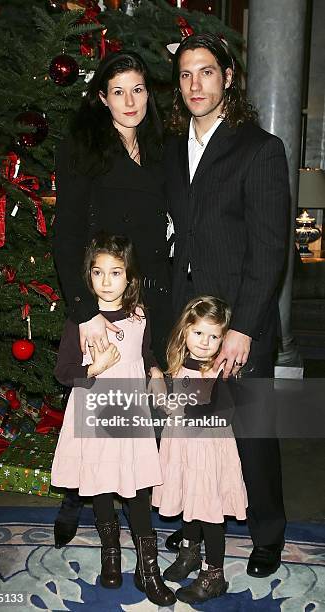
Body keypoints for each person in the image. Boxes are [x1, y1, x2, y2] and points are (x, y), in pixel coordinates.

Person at [163, 33, 289, 578]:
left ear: (229, 78)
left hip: (240, 325)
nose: (195, 84)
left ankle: (268, 535)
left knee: (253, 435)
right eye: (186, 74)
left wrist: (244, 328)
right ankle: (194, 527)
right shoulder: (171, 149)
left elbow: (270, 249)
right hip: (186, 325)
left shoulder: (260, 149)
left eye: (207, 72)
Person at [53, 50, 172, 551]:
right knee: (92, 411)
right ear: (101, 97)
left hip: (151, 301)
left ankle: (135, 510)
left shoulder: (162, 147)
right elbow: (66, 235)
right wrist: (85, 315)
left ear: (149, 94)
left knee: (138, 416)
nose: (129, 100)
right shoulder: (83, 147)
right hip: (99, 301)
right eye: (117, 90)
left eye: (138, 89)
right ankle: (79, 499)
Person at [51, 234, 176, 607]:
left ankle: (147, 568)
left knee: (138, 492)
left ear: (129, 278)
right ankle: (111, 552)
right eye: (98, 272)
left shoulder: (140, 315)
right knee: (101, 486)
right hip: (94, 414)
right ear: (87, 277)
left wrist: (154, 369)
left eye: (116, 272)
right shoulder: (82, 322)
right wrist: (94, 367)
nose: (106, 282)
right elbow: (63, 373)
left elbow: (145, 349)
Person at [152, 296, 247, 604]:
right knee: (188, 499)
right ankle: (190, 553)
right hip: (182, 448)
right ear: (185, 332)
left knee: (209, 512)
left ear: (223, 339)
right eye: (199, 333)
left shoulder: (221, 372)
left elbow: (224, 413)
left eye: (214, 336)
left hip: (208, 453)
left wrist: (182, 408)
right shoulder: (179, 365)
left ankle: (213, 574)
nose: (206, 342)